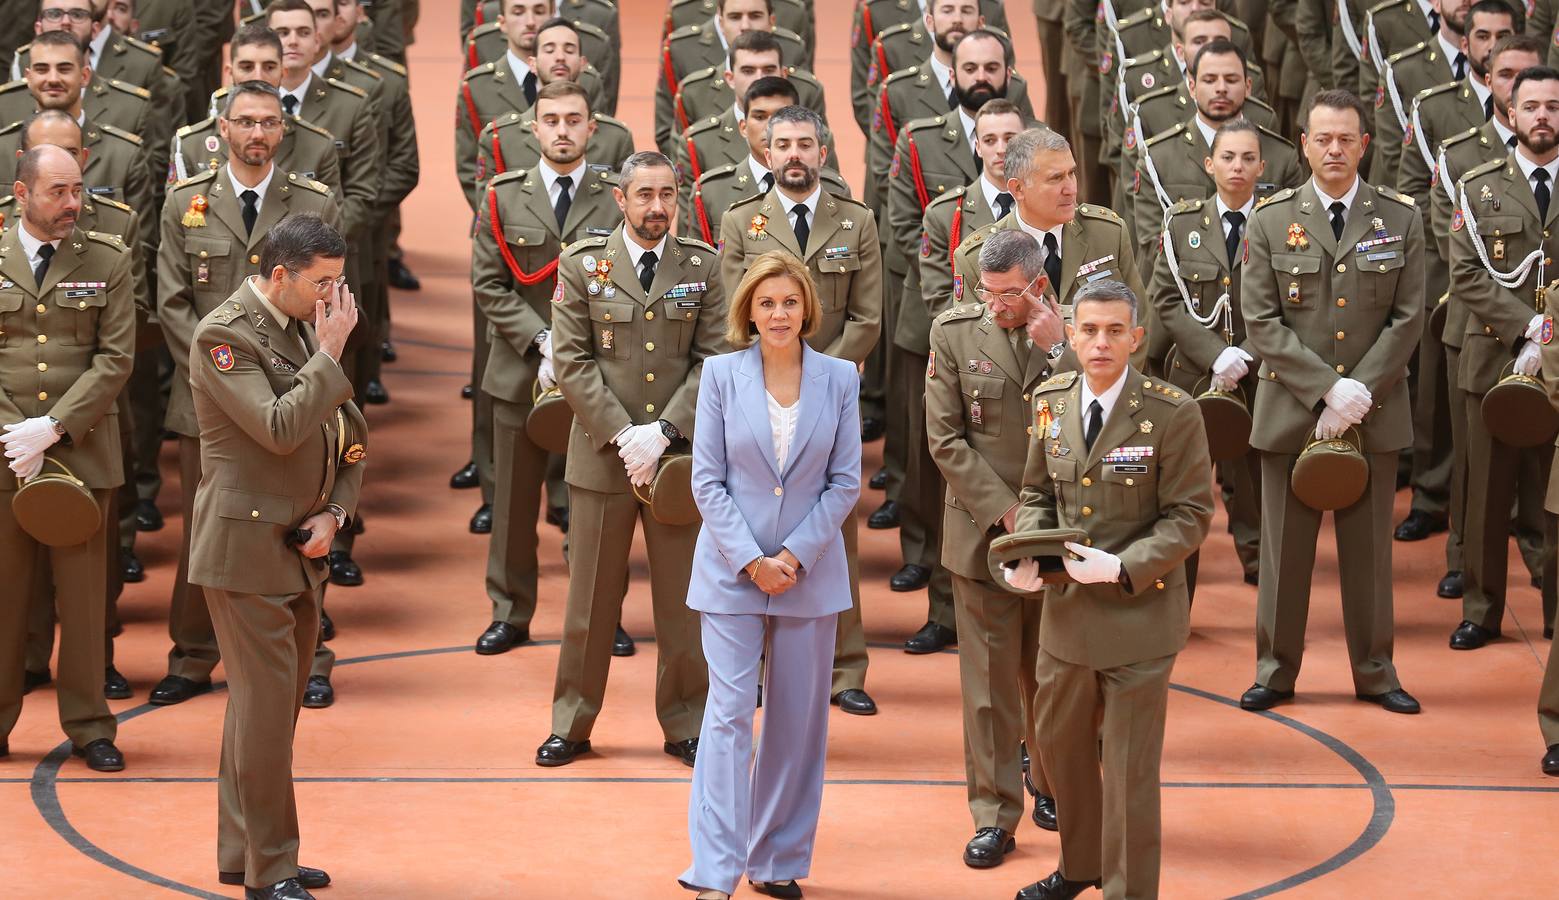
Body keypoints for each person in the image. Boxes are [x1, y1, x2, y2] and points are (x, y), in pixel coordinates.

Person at [1004, 279, 1214, 900]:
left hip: (1138, 622)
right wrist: (1031, 556)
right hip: (1066, 622)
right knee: (1061, 758)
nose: (1100, 343)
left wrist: (1122, 567)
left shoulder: (1174, 412)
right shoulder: (1050, 399)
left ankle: (1127, 890)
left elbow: (1190, 516)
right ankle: (1081, 866)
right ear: (1070, 335)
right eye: (1089, 330)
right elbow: (1039, 493)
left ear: (1136, 338)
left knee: (1126, 774)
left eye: (1114, 331)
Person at [189, 212, 365, 900]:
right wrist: (328, 355)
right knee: (265, 717)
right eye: (322, 283)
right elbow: (279, 428)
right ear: (281, 275)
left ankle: (242, 851)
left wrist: (337, 512)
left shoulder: (295, 324)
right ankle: (271, 868)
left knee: (266, 712)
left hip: (300, 543)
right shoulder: (225, 335)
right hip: (244, 549)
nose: (332, 298)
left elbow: (351, 433)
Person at [151, 79, 341, 708]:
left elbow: (328, 302)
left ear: (283, 130)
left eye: (268, 122)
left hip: (295, 394)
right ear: (221, 130)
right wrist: (221, 378)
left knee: (302, 517)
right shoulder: (185, 201)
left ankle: (308, 656)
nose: (256, 133)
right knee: (211, 526)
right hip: (210, 394)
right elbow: (174, 302)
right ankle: (193, 654)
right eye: (244, 122)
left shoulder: (311, 202)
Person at [678, 251, 861, 900]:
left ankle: (776, 859)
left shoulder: (840, 378)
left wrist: (794, 556)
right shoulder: (720, 376)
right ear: (747, 312)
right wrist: (751, 559)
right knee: (727, 717)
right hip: (731, 572)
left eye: (788, 302)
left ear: (806, 307)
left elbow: (844, 483)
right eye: (765, 303)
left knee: (794, 722)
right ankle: (714, 870)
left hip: (807, 575)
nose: (778, 314)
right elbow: (705, 479)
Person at [1239, 89, 1425, 715]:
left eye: (1347, 138)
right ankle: (1275, 669)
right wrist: (1326, 390)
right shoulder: (1269, 219)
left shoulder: (1401, 218)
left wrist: (1357, 394)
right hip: (1293, 410)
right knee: (1285, 555)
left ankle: (1375, 671)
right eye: (1323, 138)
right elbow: (1261, 322)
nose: (1335, 149)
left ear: (1365, 144)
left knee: (1369, 554)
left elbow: (1407, 318)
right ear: (1304, 144)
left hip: (1373, 411)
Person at [538, 151, 723, 768]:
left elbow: (714, 358)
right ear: (620, 199)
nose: (656, 207)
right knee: (589, 602)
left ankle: (685, 722)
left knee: (682, 602)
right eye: (643, 195)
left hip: (676, 461)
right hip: (601, 460)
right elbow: (571, 360)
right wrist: (626, 435)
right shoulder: (583, 264)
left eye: (667, 194)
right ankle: (573, 720)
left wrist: (665, 430)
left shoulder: (703, 266)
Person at [718, 104, 881, 714]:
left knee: (836, 525)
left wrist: (824, 376)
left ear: (823, 150)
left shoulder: (856, 220)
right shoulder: (742, 222)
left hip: (831, 391)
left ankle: (847, 670)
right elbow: (737, 314)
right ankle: (759, 664)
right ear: (764, 151)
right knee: (761, 520)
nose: (793, 153)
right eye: (781, 143)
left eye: (805, 143)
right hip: (759, 390)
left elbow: (867, 315)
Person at [926, 229, 1066, 866]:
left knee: (1055, 677)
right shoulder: (953, 333)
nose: (997, 305)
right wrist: (1008, 513)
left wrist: (1061, 350)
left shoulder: (1077, 330)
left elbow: (1105, 411)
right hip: (985, 534)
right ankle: (993, 813)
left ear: (1036, 285)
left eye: (1009, 294)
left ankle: (1055, 785)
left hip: (1061, 534)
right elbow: (947, 441)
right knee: (986, 689)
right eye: (987, 292)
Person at [470, 79, 624, 656]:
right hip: (520, 372)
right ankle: (510, 612)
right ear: (532, 130)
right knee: (512, 503)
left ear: (593, 128)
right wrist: (542, 342)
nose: (562, 129)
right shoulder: (502, 196)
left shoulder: (619, 196)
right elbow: (488, 284)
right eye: (551, 120)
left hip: (601, 375)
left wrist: (576, 352)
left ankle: (601, 611)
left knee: (595, 504)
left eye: (573, 119)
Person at [0, 144, 135, 772]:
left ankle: (89, 726)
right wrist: (13, 434)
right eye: (58, 192)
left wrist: (52, 427)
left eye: (78, 190)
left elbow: (116, 359)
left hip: (79, 453)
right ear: (22, 194)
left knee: (84, 602)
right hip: (4, 456)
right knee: (4, 597)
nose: (73, 205)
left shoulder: (108, 257)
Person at [1447, 64, 1559, 650]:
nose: (1543, 115)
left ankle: (1556, 618)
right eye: (1532, 105)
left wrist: (1552, 339)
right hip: (1493, 360)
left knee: (1556, 503)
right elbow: (1465, 273)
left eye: (1554, 105)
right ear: (1509, 115)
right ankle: (1482, 610)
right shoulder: (1476, 184)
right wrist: (1525, 331)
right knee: (1486, 496)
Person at [1149, 117, 1267, 587]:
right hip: (1195, 375)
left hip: (1261, 377)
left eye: (1247, 158)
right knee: (1185, 488)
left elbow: (1292, 303)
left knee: (1257, 482)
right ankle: (1180, 593)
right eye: (1227, 157)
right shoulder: (1182, 222)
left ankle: (1261, 566)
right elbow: (1166, 298)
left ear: (1262, 166)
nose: (1237, 166)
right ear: (1209, 163)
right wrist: (1216, 355)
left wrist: (1248, 355)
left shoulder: (1281, 220)